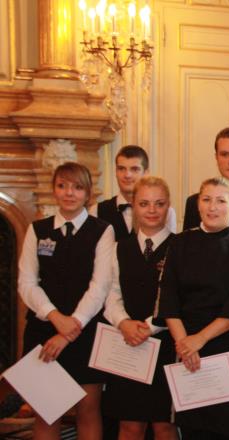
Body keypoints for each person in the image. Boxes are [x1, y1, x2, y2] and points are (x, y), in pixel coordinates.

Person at [156, 176, 229, 440]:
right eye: (206, 200)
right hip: (188, 351)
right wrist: (184, 344)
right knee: (193, 431)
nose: (212, 207)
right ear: (198, 205)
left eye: (221, 200)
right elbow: (168, 298)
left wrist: (199, 340)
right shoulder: (179, 243)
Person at [18, 161, 115, 439]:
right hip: (44, 330)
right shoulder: (37, 230)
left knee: (87, 408)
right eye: (62, 186)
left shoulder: (102, 230)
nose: (69, 193)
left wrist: (72, 326)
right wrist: (55, 317)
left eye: (77, 187)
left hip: (85, 332)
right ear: (54, 190)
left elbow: (101, 285)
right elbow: (26, 283)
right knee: (47, 411)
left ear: (88, 193)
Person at [102, 176, 178, 440]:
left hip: (167, 344)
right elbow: (111, 295)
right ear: (133, 205)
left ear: (169, 206)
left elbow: (182, 300)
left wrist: (149, 326)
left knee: (164, 426)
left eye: (159, 203)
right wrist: (124, 323)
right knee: (130, 425)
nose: (152, 210)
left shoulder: (182, 247)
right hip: (128, 344)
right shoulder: (117, 248)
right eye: (144, 203)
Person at [91, 145, 177, 240]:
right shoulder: (96, 211)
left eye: (134, 169)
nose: (127, 175)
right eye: (121, 169)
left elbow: (169, 248)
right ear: (116, 172)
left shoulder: (167, 212)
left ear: (146, 173)